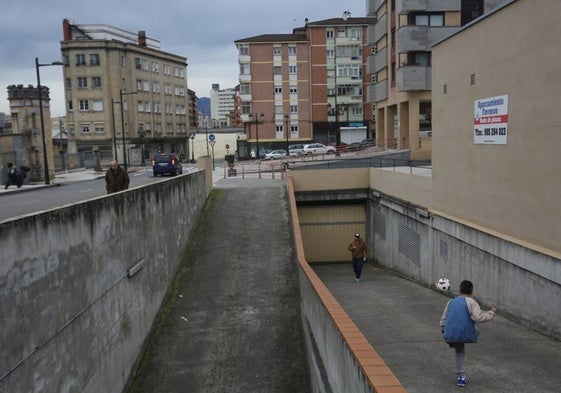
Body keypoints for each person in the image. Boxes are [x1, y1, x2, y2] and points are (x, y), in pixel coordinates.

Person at [439, 280, 497, 387]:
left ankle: (453, 342)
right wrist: (491, 313)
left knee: (458, 347)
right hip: (464, 334)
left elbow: (443, 318)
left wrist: (444, 330)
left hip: (449, 334)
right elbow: (478, 317)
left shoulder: (451, 301)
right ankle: (461, 376)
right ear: (472, 291)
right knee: (474, 332)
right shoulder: (471, 302)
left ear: (460, 290)